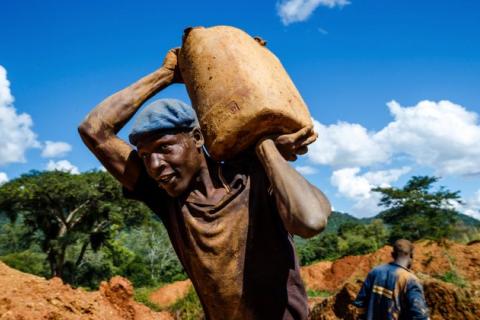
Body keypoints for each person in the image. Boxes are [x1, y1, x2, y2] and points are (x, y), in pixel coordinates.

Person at [78, 48, 331, 320]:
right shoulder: (168, 198)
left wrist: (265, 146)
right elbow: (94, 130)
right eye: (145, 156)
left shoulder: (252, 179)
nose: (154, 165)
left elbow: (311, 221)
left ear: (197, 138)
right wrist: (165, 75)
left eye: (164, 148)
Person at [352, 239, 430, 320]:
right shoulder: (410, 280)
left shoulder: (375, 272)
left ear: (392, 254)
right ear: (411, 256)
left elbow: (360, 303)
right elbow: (420, 315)